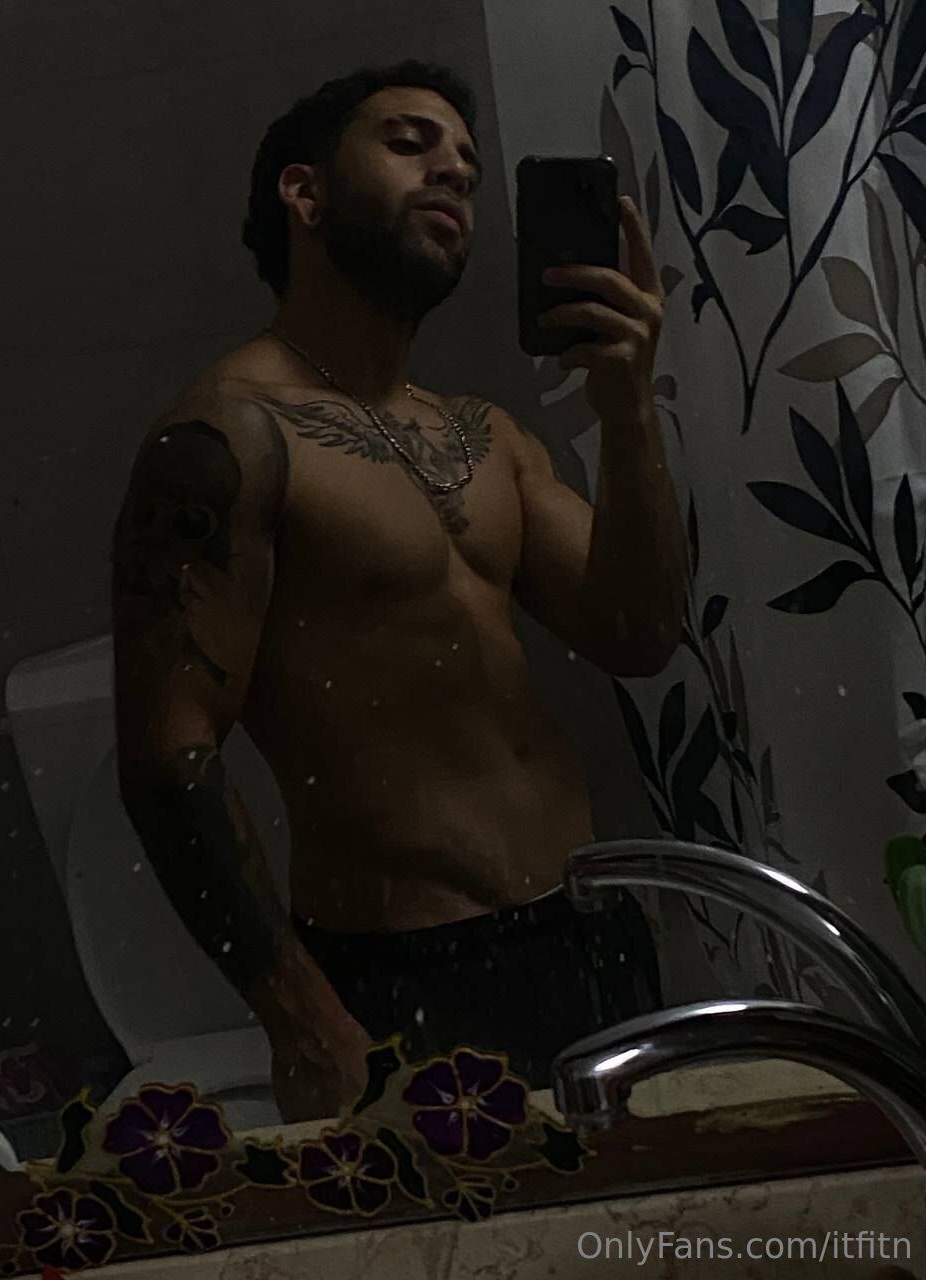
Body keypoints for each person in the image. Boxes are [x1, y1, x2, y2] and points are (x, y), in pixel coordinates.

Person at [111, 59, 687, 1122]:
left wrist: (629, 410)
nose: (453, 171)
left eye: (466, 162)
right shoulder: (227, 436)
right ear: (305, 193)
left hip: (588, 936)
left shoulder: (487, 436)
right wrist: (301, 1017)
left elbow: (640, 633)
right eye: (410, 142)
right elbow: (164, 755)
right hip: (404, 975)